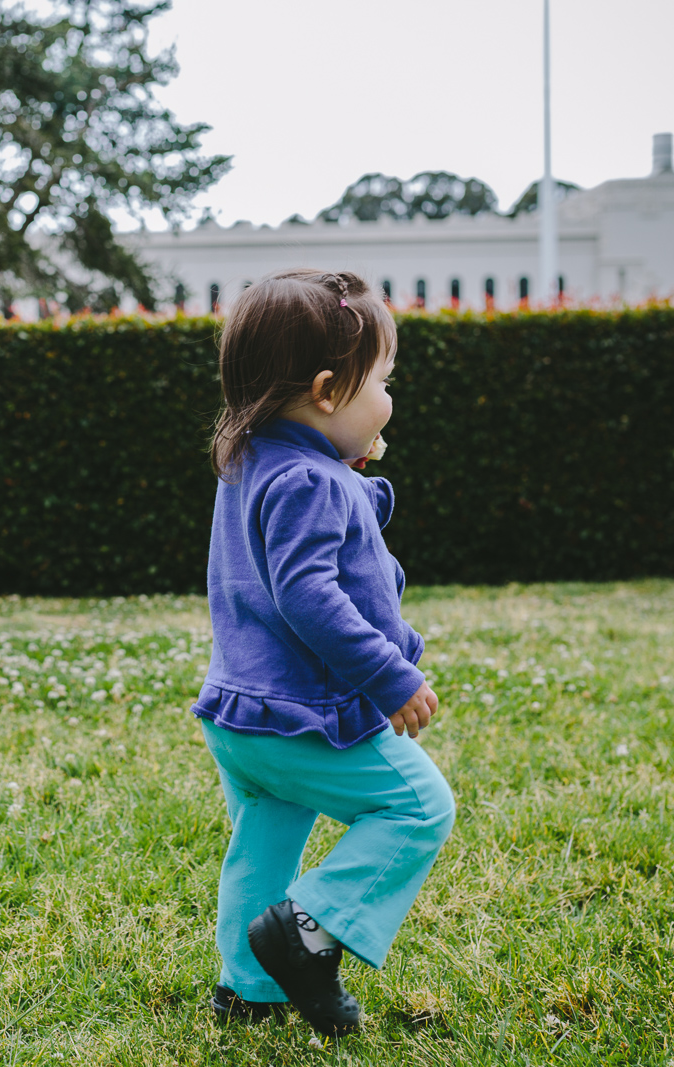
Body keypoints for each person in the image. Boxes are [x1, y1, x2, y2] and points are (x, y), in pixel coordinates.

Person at [193, 268, 455, 1037]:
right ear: (328, 390)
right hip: (307, 715)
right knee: (417, 807)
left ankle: (247, 989)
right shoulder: (311, 480)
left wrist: (350, 470)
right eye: (383, 380)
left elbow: (328, 534)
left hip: (241, 716)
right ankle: (307, 930)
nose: (390, 399)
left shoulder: (254, 463)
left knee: (265, 841)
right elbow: (311, 593)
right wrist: (388, 673)